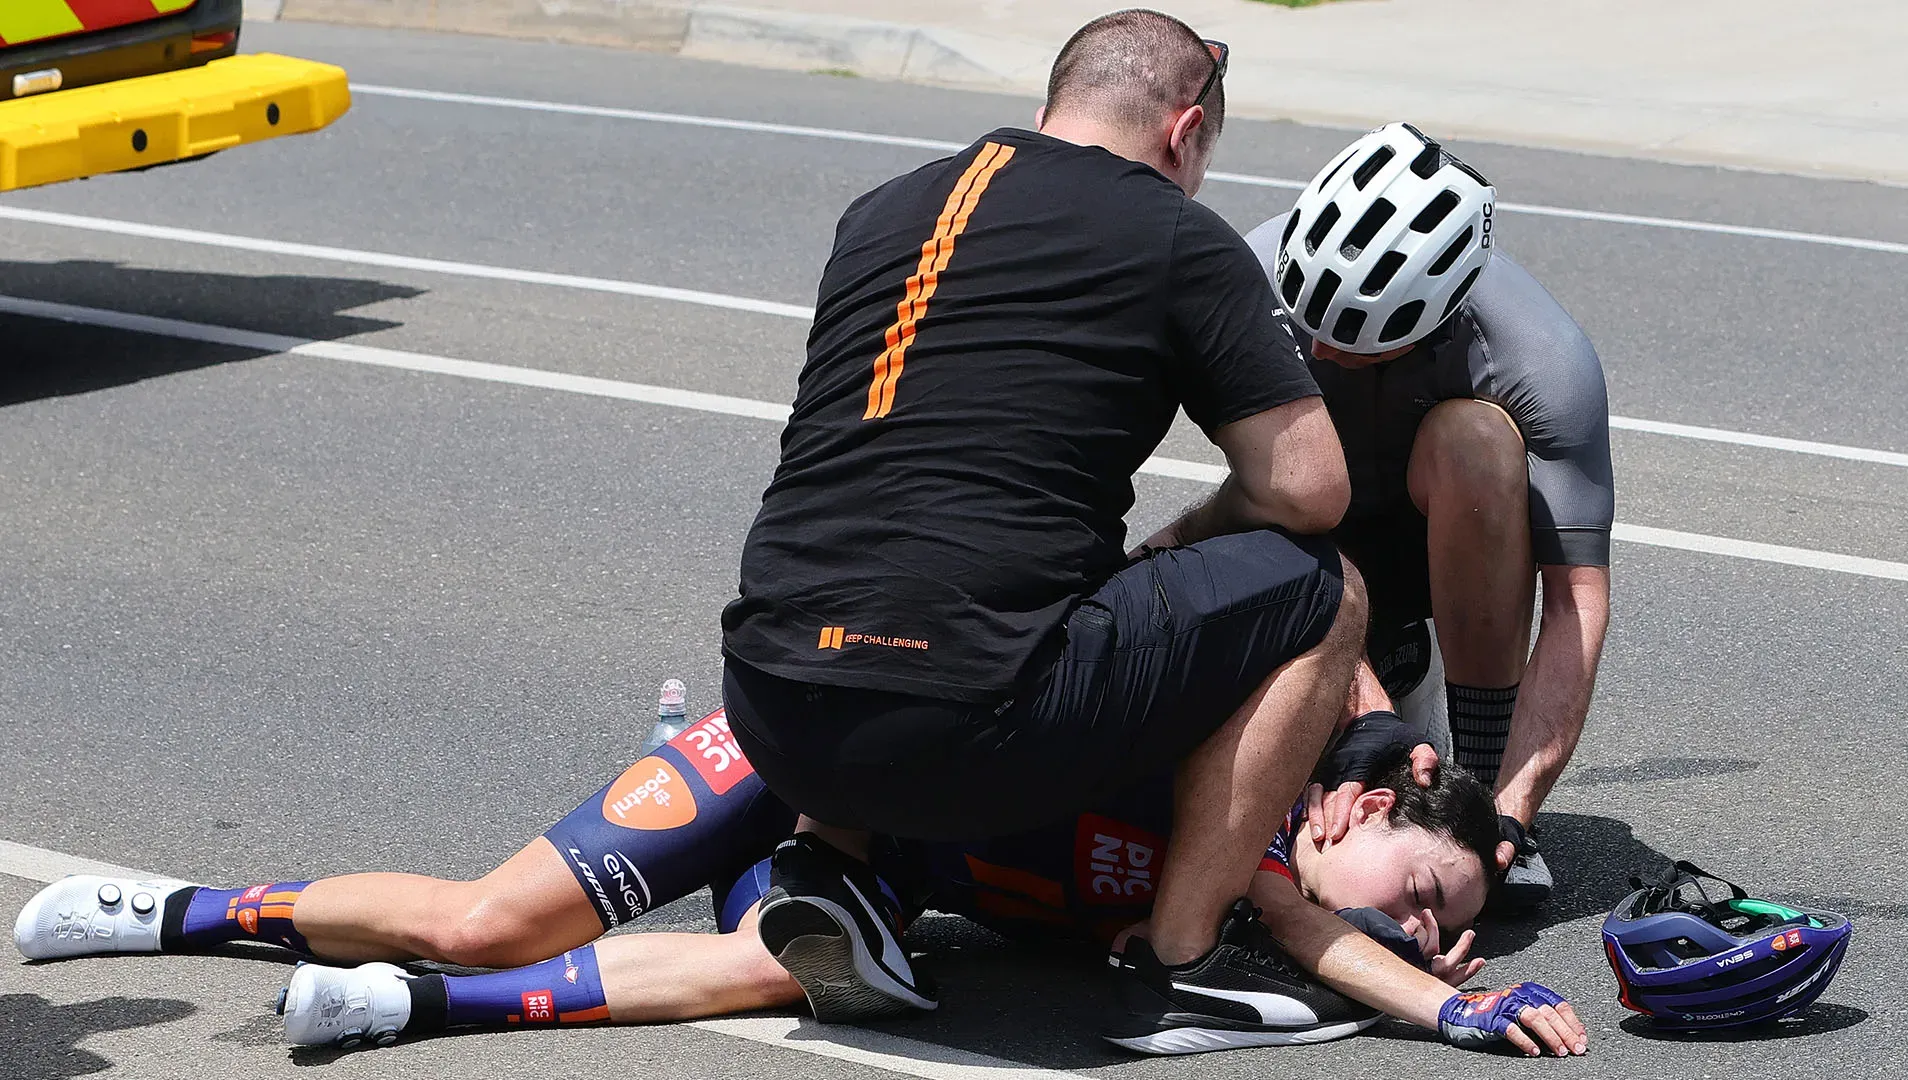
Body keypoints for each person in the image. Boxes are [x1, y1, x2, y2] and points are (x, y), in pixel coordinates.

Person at [717, 9, 1404, 1046]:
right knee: (1327, 589)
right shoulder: (1174, 231)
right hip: (970, 726)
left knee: (886, 521)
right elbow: (1309, 490)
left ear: (1051, 104)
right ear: (1184, 134)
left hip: (773, 710)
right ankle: (1180, 966)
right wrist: (1190, 535)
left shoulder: (879, 211)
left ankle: (834, 867)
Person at [14, 705, 1585, 1057]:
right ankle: (172, 911)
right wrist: (1462, 1007)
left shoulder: (1245, 896)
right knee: (488, 905)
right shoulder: (1236, 783)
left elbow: (1316, 944)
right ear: (1362, 802)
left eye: (1437, 922)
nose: (1417, 924)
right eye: (1424, 887)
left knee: (798, 962)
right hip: (787, 753)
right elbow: (1333, 936)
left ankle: (406, 1007)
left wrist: (1438, 980)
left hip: (857, 876)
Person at [1243, 122, 1615, 909]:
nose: (1324, 355)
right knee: (1279, 451)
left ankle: (1469, 775)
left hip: (1446, 548)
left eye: (1357, 346)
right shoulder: (1246, 276)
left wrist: (1508, 809)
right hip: (1302, 545)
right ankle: (1386, 668)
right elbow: (1243, 495)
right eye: (1312, 329)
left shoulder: (1546, 362)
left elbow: (1577, 606)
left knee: (1476, 440)